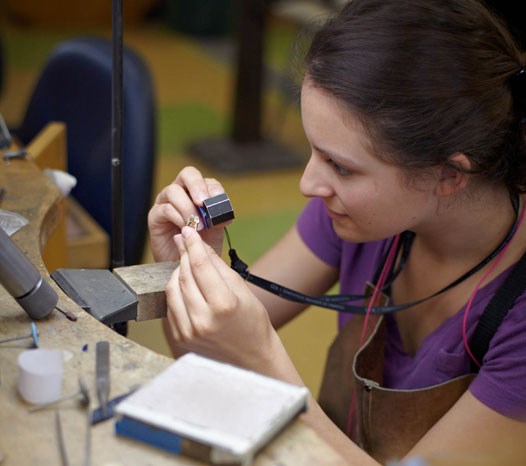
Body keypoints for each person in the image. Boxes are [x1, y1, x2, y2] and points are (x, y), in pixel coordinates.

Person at [147, 0, 526, 463]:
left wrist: (265, 359)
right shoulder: (361, 219)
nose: (308, 185)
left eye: (341, 166)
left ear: (449, 175)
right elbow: (202, 354)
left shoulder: (515, 315)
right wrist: (186, 265)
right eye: (313, 150)